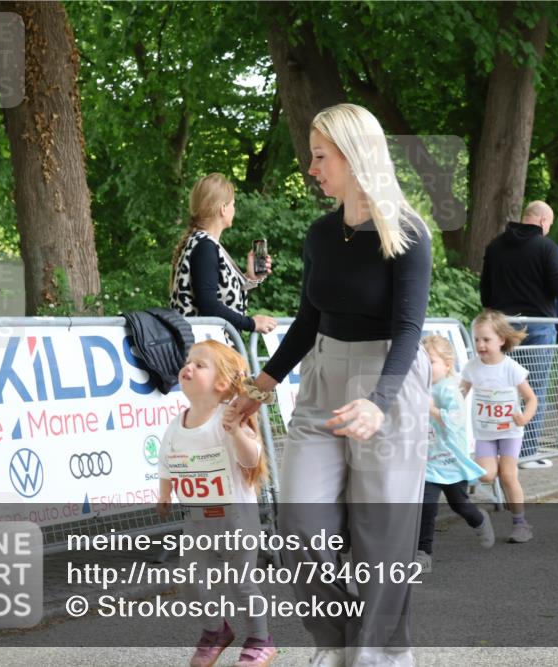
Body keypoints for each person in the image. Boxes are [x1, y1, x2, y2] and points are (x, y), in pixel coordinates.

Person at [232, 103, 432, 667]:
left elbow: (409, 328)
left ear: (352, 154)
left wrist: (379, 402)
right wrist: (262, 383)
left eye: (320, 156)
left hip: (387, 379)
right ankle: (344, 645)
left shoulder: (409, 233)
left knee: (380, 538)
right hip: (323, 376)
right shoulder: (321, 234)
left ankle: (379, 656)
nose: (312, 168)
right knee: (299, 528)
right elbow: (308, 319)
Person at [156, 340, 276, 667]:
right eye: (188, 361)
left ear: (222, 383)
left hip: (236, 518)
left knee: (241, 582)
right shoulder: (176, 424)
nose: (188, 367)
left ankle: (261, 639)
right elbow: (167, 460)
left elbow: (253, 459)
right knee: (190, 580)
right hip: (197, 519)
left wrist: (236, 432)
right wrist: (165, 491)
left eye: (200, 364)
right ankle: (215, 631)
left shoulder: (228, 417)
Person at [480, 200, 558, 467]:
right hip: (538, 326)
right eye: (549, 225)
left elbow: (485, 291)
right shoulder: (545, 247)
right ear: (543, 221)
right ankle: (527, 452)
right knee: (533, 389)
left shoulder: (495, 245)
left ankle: (497, 450)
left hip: (502, 327)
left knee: (501, 388)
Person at [415, 336, 495, 573]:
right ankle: (423, 554)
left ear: (447, 364)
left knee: (460, 504)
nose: (426, 368)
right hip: (429, 461)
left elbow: (455, 422)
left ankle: (479, 520)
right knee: (426, 507)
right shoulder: (420, 386)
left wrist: (431, 408)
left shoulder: (450, 389)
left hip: (451, 461)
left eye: (432, 362)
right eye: (422, 363)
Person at [460, 309, 538, 543]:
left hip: (510, 431)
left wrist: (524, 417)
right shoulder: (472, 367)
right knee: (486, 475)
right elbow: (460, 393)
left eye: (486, 339)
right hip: (485, 432)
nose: (480, 345)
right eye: (477, 339)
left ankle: (521, 523)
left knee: (508, 475)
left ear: (501, 340)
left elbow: (531, 399)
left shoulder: (510, 368)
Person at [170, 173, 278, 335]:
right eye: (233, 204)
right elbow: (209, 305)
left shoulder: (201, 243)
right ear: (223, 208)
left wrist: (250, 278)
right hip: (208, 350)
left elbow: (215, 295)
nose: (234, 209)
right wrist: (251, 323)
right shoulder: (205, 247)